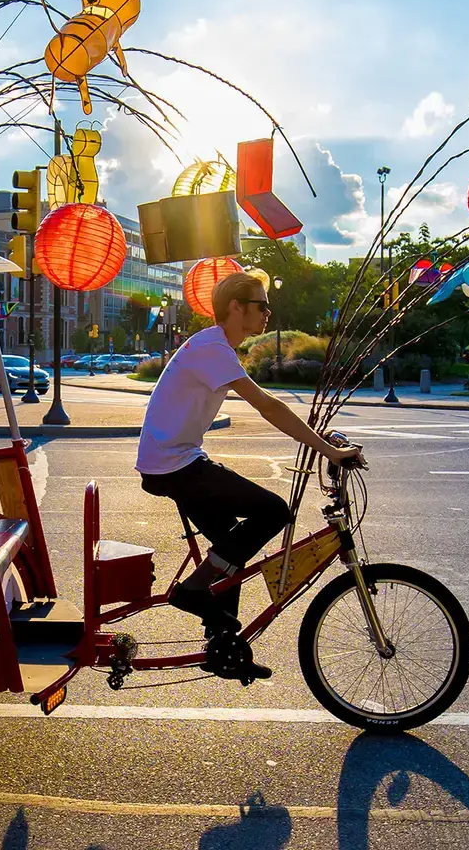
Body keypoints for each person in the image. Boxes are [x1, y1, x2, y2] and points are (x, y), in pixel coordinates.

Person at [136, 270, 364, 678]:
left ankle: (223, 645)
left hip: (175, 460)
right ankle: (191, 591)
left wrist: (321, 438)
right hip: (175, 465)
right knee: (273, 512)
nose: (267, 314)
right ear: (236, 308)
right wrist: (327, 450)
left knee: (231, 550)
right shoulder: (212, 347)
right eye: (261, 306)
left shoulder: (214, 347)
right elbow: (268, 406)